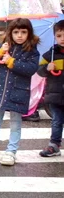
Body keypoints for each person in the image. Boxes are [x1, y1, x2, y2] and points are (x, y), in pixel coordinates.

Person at [0, 18, 41, 166]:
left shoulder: (31, 52)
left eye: (23, 32)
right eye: (16, 32)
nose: (19, 35)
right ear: (10, 33)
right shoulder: (2, 47)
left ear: (29, 33)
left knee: (15, 123)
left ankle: (11, 151)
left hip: (17, 92)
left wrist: (12, 62)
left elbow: (31, 69)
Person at [37, 20, 64, 157]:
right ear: (54, 37)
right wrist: (47, 68)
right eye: (59, 36)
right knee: (57, 121)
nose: (62, 39)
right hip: (55, 95)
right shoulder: (50, 54)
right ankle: (54, 145)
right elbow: (39, 71)